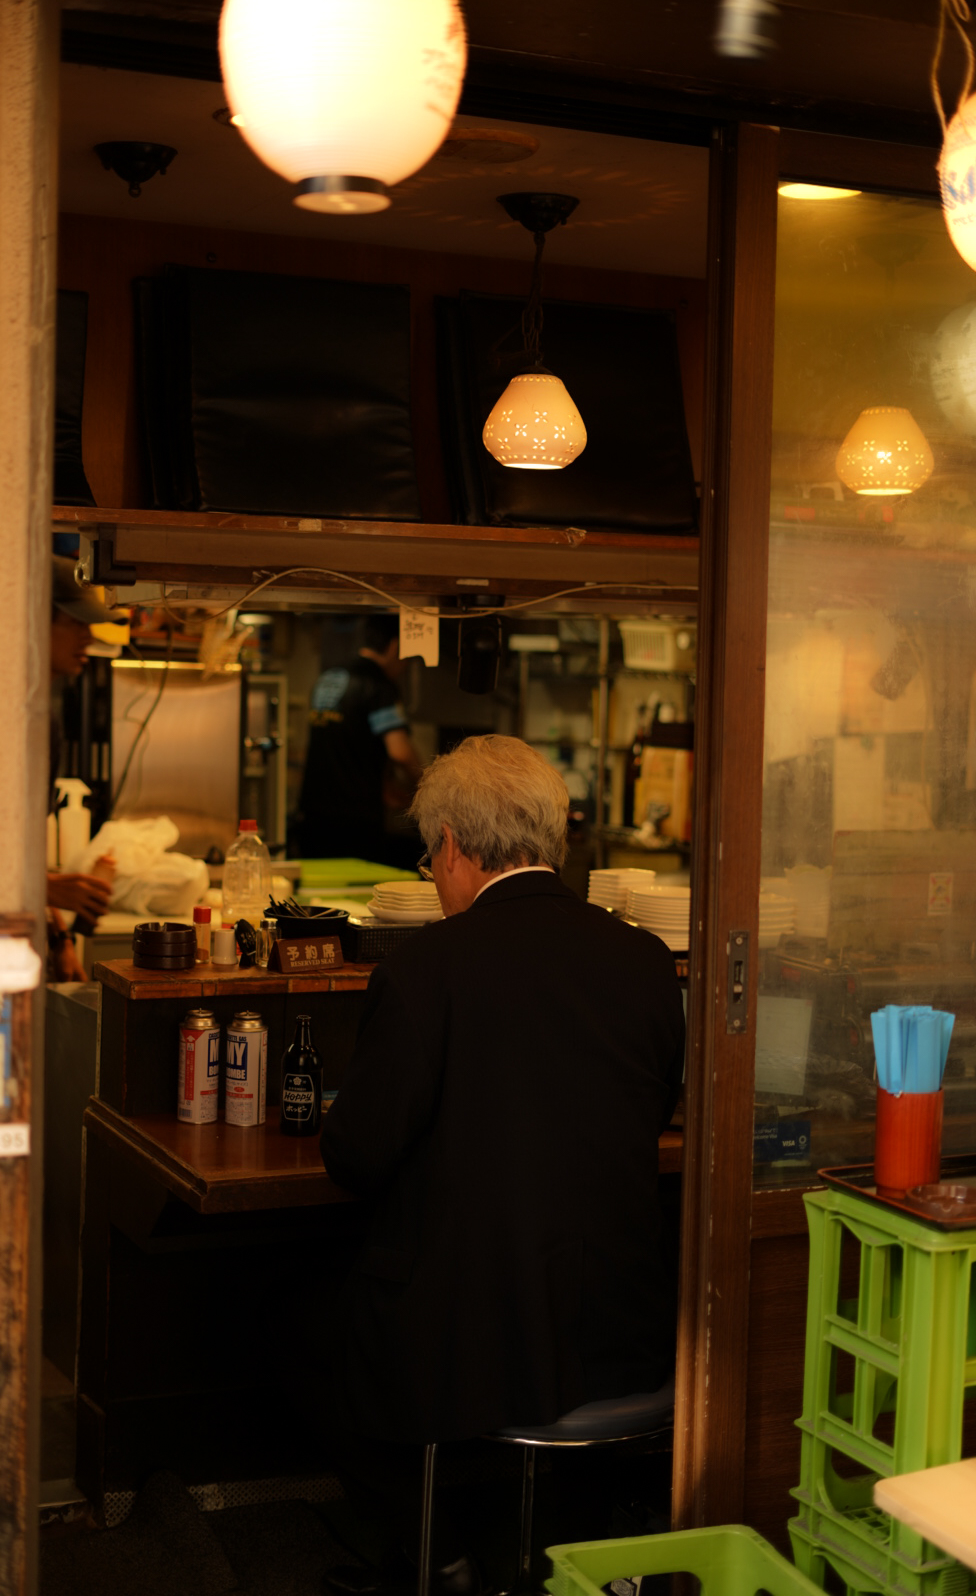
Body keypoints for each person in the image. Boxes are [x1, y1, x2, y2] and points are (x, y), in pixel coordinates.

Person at [319, 735, 685, 1596]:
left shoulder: (427, 969)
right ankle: (563, 1547)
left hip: (471, 1339)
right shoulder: (643, 962)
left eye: (429, 854)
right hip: (619, 1322)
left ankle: (429, 1556)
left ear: (451, 846)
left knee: (303, 1316)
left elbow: (356, 1157)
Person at [46, 557, 126, 979]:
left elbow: (20, 855)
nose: (90, 637)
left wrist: (61, 943)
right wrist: (49, 888)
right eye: (77, 623)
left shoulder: (45, 723)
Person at [298, 615, 424, 865]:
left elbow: (343, 742)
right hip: (353, 821)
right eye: (408, 657)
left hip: (312, 815)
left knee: (318, 896)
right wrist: (427, 788)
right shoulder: (377, 685)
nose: (406, 665)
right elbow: (399, 752)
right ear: (394, 646)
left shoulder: (329, 677)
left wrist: (384, 786)